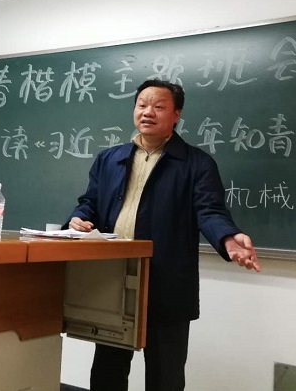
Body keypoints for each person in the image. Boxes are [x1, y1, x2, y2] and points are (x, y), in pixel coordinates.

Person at [66, 79, 261, 391]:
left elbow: (209, 211)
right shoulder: (109, 159)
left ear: (176, 114)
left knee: (165, 375)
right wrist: (79, 217)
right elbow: (90, 202)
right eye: (142, 105)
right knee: (107, 370)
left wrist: (227, 238)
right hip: (113, 278)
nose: (148, 112)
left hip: (166, 281)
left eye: (158, 106)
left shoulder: (196, 163)